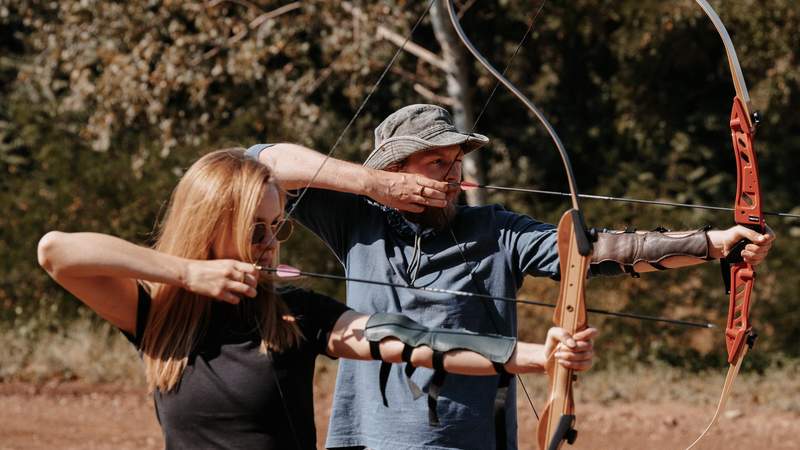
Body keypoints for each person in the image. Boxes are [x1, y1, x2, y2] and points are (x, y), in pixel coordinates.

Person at [247, 104, 775, 450]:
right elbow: (254, 163)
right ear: (396, 167)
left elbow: (592, 252)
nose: (453, 174)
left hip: (471, 439)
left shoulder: (495, 229)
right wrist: (370, 185)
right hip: (367, 439)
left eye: (457, 161)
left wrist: (710, 243)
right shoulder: (356, 220)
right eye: (436, 161)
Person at [36, 148, 598, 449]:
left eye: (277, 227)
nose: (271, 243)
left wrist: (536, 355)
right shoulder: (157, 313)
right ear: (209, 224)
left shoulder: (293, 313)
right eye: (257, 230)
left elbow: (416, 343)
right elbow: (56, 251)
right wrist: (184, 272)